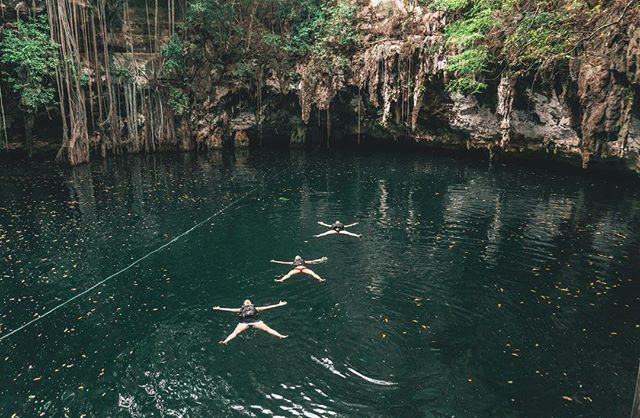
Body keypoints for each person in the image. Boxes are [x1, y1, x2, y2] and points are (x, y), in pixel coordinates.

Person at [213, 299, 288, 344]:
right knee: (235, 333)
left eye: (248, 301)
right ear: (244, 304)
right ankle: (225, 341)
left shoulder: (257, 308)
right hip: (244, 323)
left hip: (255, 322)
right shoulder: (240, 309)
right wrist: (220, 308)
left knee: (268, 329)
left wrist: (279, 304)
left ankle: (280, 336)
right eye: (246, 301)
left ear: (251, 303)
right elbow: (230, 309)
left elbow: (268, 307)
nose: (248, 302)